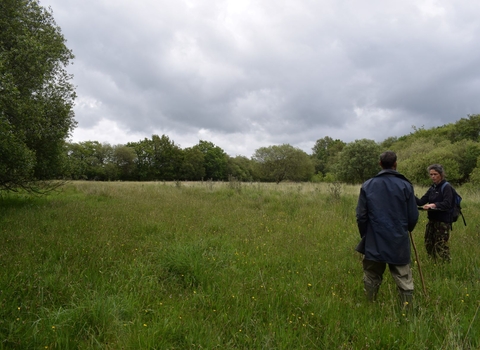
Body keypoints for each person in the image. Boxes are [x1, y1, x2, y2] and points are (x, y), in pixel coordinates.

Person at [356, 151, 419, 306]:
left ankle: (369, 305)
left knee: (371, 274)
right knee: (403, 276)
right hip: (398, 238)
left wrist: (366, 235)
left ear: (380, 164)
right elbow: (413, 215)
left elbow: (361, 216)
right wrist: (406, 229)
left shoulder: (368, 185)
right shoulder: (405, 185)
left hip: (374, 238)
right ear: (395, 164)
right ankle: (407, 310)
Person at [415, 164, 453, 261]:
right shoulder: (432, 188)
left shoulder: (446, 187)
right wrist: (409, 194)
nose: (433, 176)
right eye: (431, 174)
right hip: (432, 221)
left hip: (443, 221)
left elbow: (447, 203)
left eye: (435, 174)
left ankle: (445, 265)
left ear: (441, 174)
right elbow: (421, 202)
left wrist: (433, 205)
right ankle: (433, 263)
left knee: (441, 245)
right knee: (428, 243)